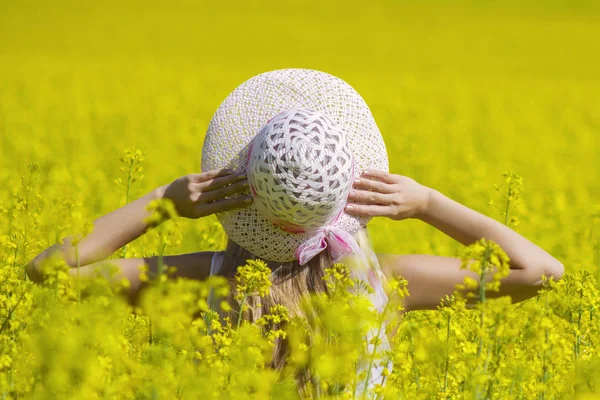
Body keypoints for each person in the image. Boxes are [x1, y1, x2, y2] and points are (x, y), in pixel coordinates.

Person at [26, 69, 564, 391]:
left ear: (238, 192)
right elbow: (541, 270)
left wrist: (161, 203)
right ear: (350, 197)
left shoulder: (205, 284)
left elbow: (48, 271)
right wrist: (426, 202)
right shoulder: (385, 285)